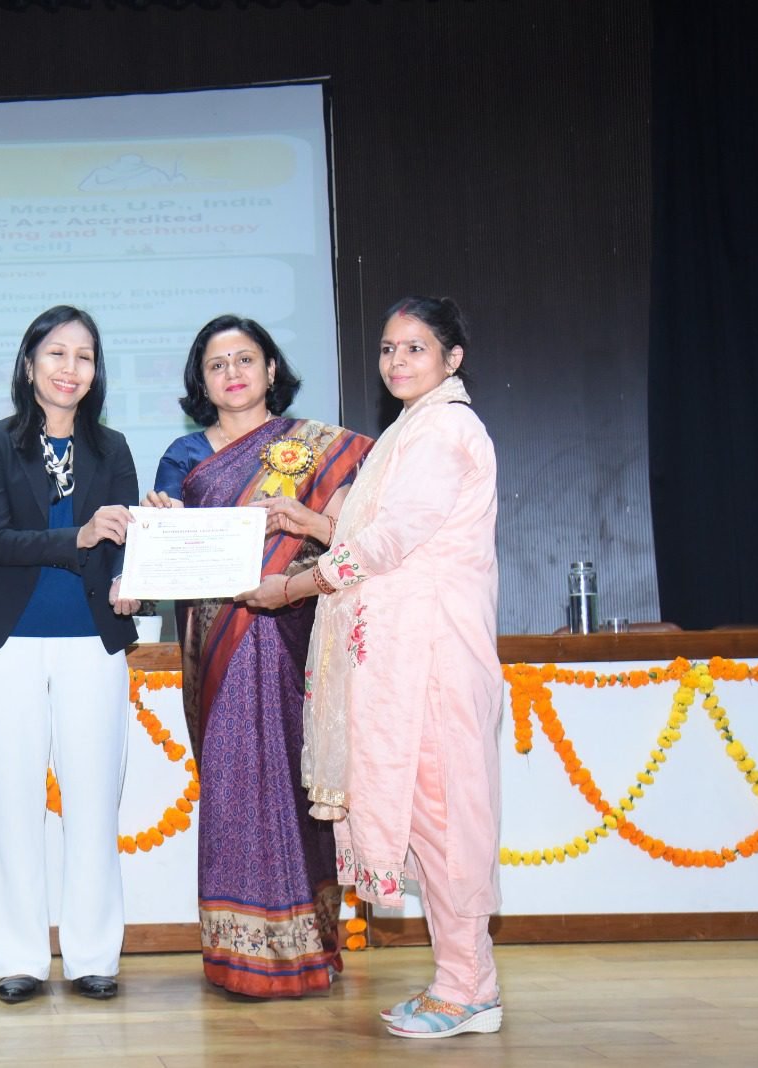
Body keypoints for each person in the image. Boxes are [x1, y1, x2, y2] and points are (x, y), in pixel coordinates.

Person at [238, 297, 503, 1039]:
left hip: (433, 659)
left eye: (415, 348)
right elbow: (393, 535)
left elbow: (386, 547)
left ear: (451, 358)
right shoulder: (412, 429)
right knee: (430, 820)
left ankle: (468, 990)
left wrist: (291, 587)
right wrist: (315, 523)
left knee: (446, 824)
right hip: (403, 661)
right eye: (389, 349)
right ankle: (464, 981)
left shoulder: (444, 430)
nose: (397, 361)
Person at [144, 315, 372, 998]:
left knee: (300, 789)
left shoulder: (318, 448)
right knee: (233, 789)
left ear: (271, 369)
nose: (233, 373)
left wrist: (308, 526)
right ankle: (236, 957)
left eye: (245, 359)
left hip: (296, 638)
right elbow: (169, 553)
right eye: (217, 365)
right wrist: (160, 526)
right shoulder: (185, 456)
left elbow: (359, 538)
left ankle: (308, 949)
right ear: (202, 381)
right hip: (219, 647)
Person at [0, 306, 140, 1004]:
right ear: (30, 364)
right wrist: (81, 536)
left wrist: (134, 572)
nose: (71, 368)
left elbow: (123, 546)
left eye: (84, 356)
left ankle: (94, 956)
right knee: (11, 801)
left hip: (93, 641)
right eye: (57, 353)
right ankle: (19, 958)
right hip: (5, 642)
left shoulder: (112, 447)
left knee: (94, 801)